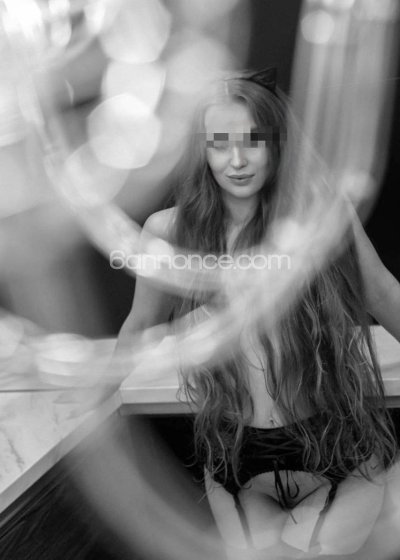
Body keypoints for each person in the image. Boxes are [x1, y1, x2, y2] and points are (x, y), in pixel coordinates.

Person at [117, 68, 400, 556]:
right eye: (219, 143)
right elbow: (140, 329)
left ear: (277, 143)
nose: (237, 160)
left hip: (336, 449)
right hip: (234, 460)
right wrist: (101, 416)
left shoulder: (319, 215)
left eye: (253, 141)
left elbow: (383, 295)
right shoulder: (171, 233)